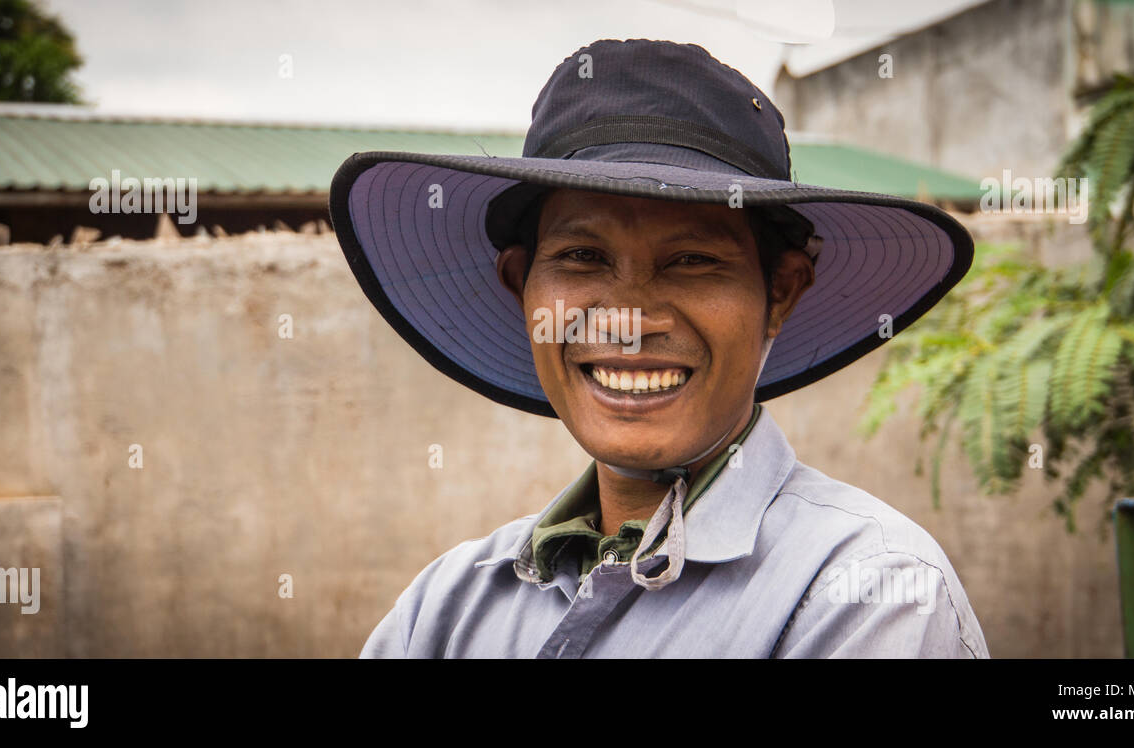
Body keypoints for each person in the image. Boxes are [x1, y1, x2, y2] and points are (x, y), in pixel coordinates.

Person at [328, 38, 988, 658]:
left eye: (694, 260)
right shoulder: (444, 610)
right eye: (582, 257)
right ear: (519, 287)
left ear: (781, 293)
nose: (627, 320)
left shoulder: (870, 593)